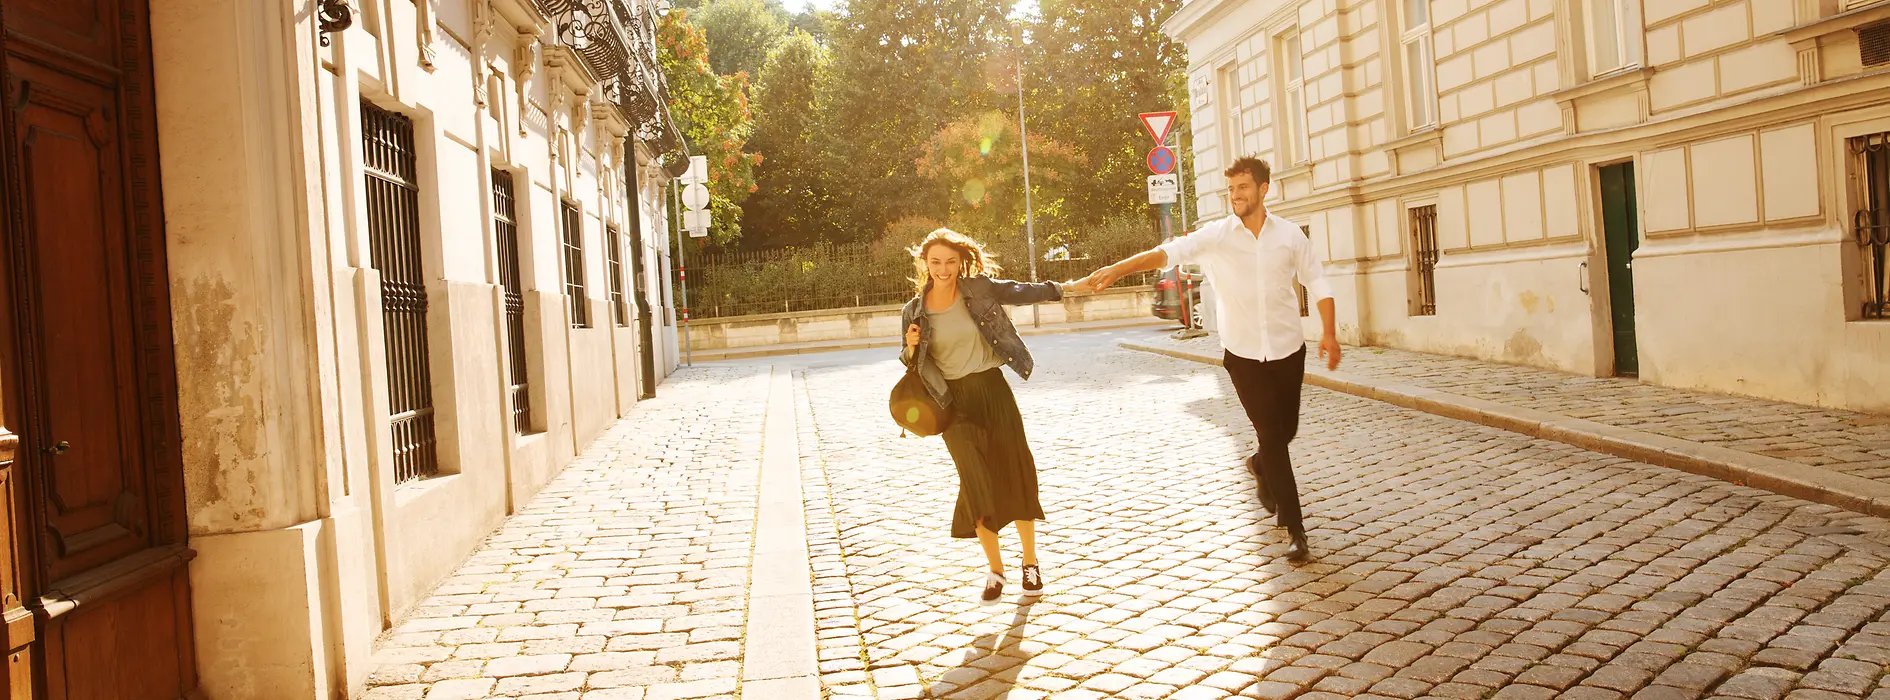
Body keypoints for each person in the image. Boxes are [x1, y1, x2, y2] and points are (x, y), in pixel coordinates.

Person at [1083, 156, 1338, 563]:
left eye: (1243, 187)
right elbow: (1167, 252)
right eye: (1232, 189)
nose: (1236, 195)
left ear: (1263, 188)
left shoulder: (1290, 235)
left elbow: (1318, 280)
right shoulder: (1217, 236)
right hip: (1243, 355)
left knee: (1284, 432)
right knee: (1273, 435)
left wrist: (1329, 331)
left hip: (1289, 349)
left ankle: (1259, 465)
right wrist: (1117, 268)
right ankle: (1296, 529)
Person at [900, 228, 1079, 604]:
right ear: (925, 264)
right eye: (935, 262)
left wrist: (1061, 288)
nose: (943, 269)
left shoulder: (978, 289)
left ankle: (1030, 563)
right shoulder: (914, 311)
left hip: (993, 390)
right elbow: (912, 364)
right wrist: (910, 347)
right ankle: (996, 571)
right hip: (954, 404)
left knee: (1014, 470)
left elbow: (1019, 290)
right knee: (975, 481)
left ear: (960, 261)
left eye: (950, 261)